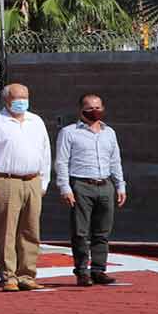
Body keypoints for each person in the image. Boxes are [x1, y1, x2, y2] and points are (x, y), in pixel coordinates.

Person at [0, 83, 52, 292]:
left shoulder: (36, 121)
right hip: (6, 181)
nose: (22, 101)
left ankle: (27, 274)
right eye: (18, 97)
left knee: (31, 230)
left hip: (33, 181)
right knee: (8, 230)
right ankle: (8, 276)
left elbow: (45, 152)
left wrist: (44, 181)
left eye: (25, 97)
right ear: (6, 100)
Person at [55, 93, 127, 287]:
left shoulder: (109, 132)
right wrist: (65, 187)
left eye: (98, 107)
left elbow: (115, 160)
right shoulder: (69, 132)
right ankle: (81, 271)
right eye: (90, 108)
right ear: (81, 110)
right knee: (80, 232)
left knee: (102, 232)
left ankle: (99, 270)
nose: (95, 111)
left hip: (105, 185)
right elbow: (61, 162)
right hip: (81, 185)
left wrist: (120, 185)